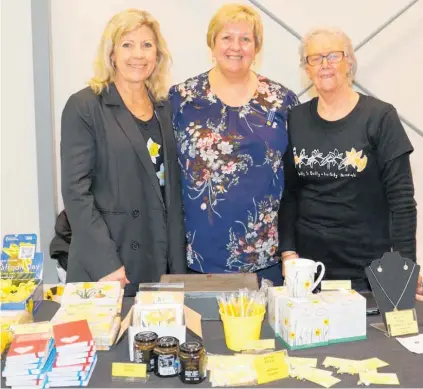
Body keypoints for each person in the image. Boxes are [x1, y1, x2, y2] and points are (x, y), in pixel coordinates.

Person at [279, 27, 421, 297]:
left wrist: (406, 269)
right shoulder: (296, 119)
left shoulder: (380, 117)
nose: (325, 65)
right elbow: (290, 193)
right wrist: (288, 252)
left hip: (369, 270)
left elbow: (402, 202)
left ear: (349, 63)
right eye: (315, 58)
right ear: (306, 69)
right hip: (310, 271)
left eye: (333, 55)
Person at [169, 3, 298, 286]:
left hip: (267, 260)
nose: (235, 47)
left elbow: (294, 182)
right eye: (226, 37)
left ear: (256, 47)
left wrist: (291, 248)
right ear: (212, 44)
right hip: (197, 259)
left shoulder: (281, 100)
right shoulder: (182, 99)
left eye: (245, 39)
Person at [61, 9, 186, 296]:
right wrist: (106, 263)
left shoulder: (164, 109)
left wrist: (177, 268)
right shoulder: (85, 106)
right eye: (127, 45)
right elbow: (75, 192)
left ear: (157, 54)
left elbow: (170, 193)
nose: (138, 55)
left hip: (158, 260)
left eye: (146, 45)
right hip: (109, 265)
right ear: (112, 54)